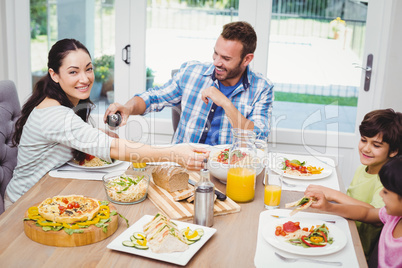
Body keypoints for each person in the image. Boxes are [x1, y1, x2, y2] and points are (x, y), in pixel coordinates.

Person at [5, 39, 207, 209]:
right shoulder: (55, 114)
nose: (85, 78)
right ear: (54, 75)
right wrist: (175, 153)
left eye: (88, 69)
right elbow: (113, 148)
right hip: (23, 203)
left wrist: (97, 132)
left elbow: (68, 136)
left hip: (48, 192)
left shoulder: (63, 103)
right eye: (73, 72)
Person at [104, 21, 273, 145]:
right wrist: (128, 107)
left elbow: (257, 136)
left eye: (226, 58)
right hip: (182, 168)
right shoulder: (191, 72)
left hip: (228, 173)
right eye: (215, 53)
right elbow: (153, 98)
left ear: (247, 59)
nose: (216, 62)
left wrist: (225, 103)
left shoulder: (262, 88)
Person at [305, 108, 402, 259]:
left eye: (376, 145)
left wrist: (335, 195)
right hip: (343, 227)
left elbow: (374, 214)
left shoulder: (389, 184)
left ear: (393, 151)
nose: (366, 148)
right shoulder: (362, 169)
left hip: (356, 245)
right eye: (364, 140)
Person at [305, 156, 402, 268]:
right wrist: (329, 207)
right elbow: (366, 213)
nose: (380, 194)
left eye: (386, 192)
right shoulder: (392, 216)